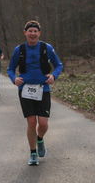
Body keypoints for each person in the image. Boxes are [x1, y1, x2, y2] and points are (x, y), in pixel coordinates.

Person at [7, 21, 63, 166]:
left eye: (35, 31)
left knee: (43, 123)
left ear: (39, 33)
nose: (32, 34)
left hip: (43, 89)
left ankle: (40, 139)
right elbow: (10, 69)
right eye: (30, 31)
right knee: (31, 122)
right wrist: (14, 79)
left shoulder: (46, 48)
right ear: (25, 33)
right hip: (25, 90)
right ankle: (33, 153)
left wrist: (53, 76)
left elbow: (59, 65)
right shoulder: (19, 50)